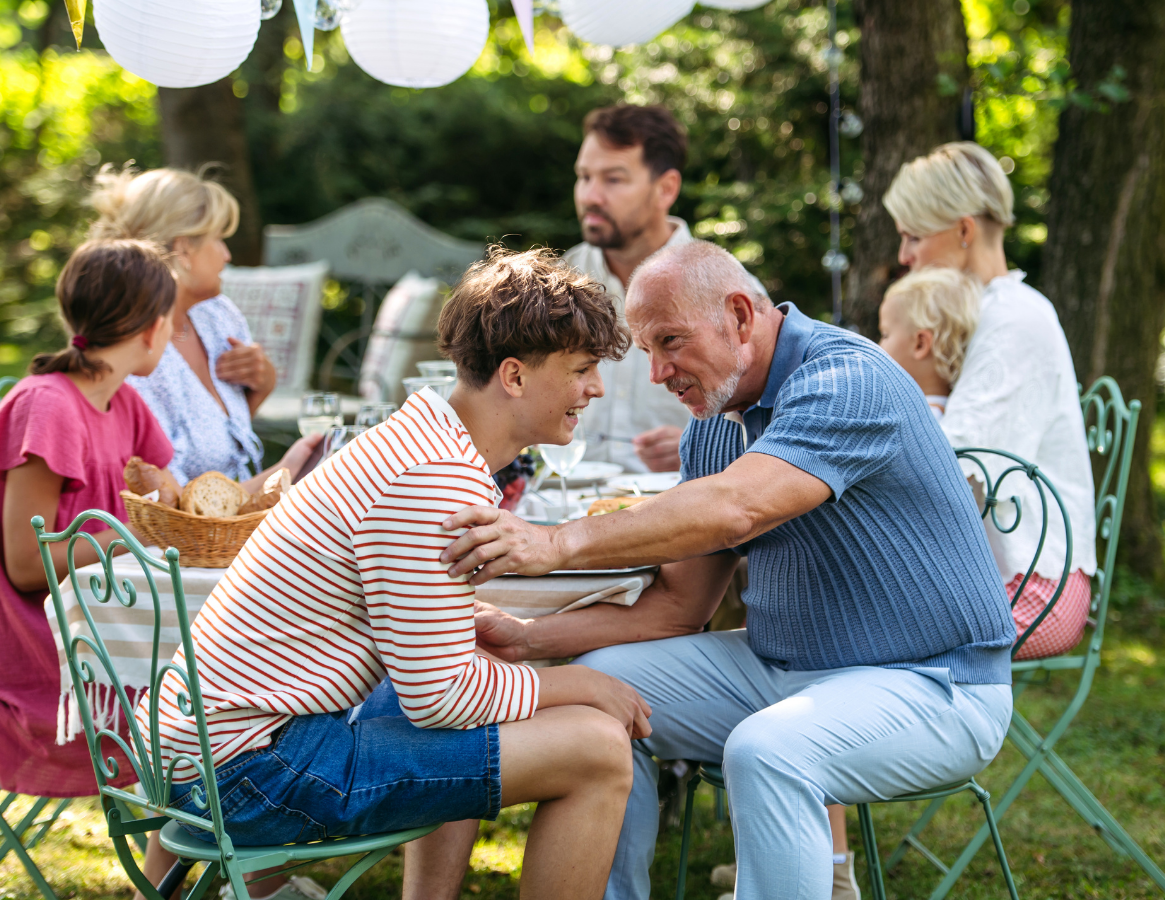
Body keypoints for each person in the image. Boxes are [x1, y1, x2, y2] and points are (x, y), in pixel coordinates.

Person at [427, 241, 1018, 900]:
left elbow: (737, 508)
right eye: (647, 349)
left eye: (670, 341)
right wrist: (526, 639)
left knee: (770, 752)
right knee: (598, 692)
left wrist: (555, 542)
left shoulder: (847, 379)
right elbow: (678, 610)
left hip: (935, 683)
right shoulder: (715, 419)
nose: (657, 373)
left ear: (740, 315)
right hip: (789, 671)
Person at [137, 248, 652, 900]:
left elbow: (403, 638)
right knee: (598, 748)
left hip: (199, 742)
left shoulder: (417, 438)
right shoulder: (435, 480)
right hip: (249, 766)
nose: (595, 388)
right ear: (515, 376)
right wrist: (583, 684)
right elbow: (441, 698)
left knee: (512, 697)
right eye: (581, 370)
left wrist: (483, 633)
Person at [883, 141, 1096, 661]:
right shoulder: (983, 315)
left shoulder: (1013, 319)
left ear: (963, 230)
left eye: (913, 236)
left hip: (1035, 587)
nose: (903, 256)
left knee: (857, 636)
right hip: (996, 577)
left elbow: (953, 465)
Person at [0, 240, 175, 799]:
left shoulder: (124, 402)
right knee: (194, 705)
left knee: (209, 684)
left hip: (110, 626)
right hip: (47, 656)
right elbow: (26, 566)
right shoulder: (47, 405)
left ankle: (173, 878)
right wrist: (124, 539)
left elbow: (164, 487)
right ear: (151, 328)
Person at [88, 166, 321, 492]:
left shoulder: (218, 315)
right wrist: (284, 473)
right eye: (219, 239)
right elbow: (172, 505)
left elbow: (215, 444)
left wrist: (261, 386)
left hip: (226, 525)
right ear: (183, 249)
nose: (226, 255)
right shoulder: (136, 353)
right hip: (179, 537)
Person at [566, 104, 765, 474]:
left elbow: (777, 427)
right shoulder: (556, 286)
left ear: (666, 188)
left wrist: (706, 448)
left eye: (613, 179)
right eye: (584, 177)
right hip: (560, 508)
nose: (591, 196)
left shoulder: (733, 294)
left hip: (679, 510)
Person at [877, 266, 981, 421]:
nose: (878, 345)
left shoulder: (917, 421)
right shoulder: (950, 414)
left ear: (920, 344)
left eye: (885, 335)